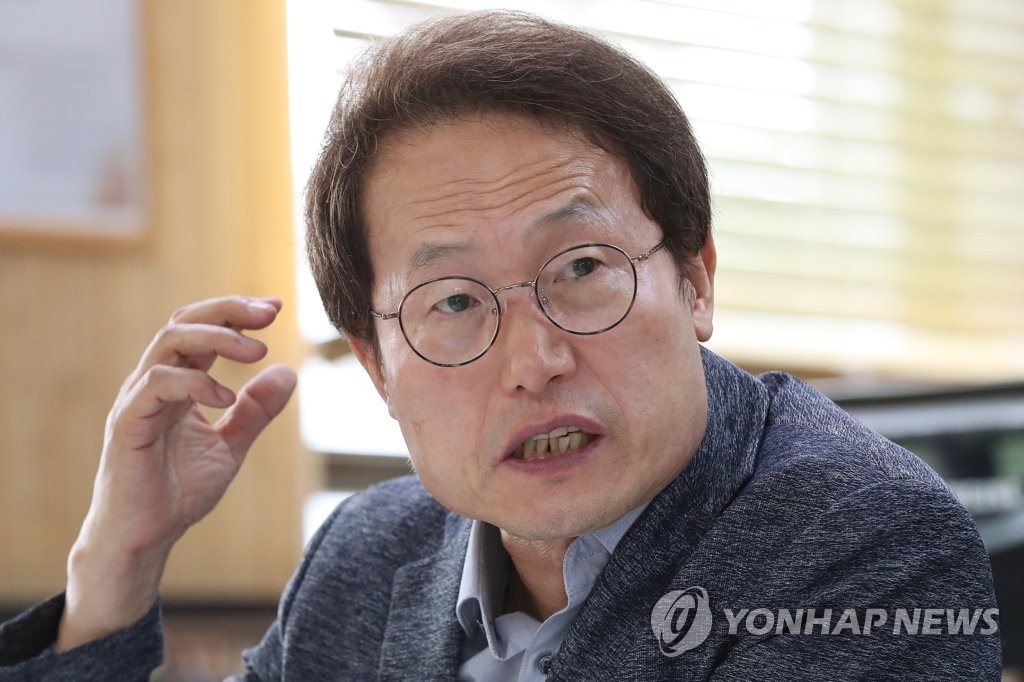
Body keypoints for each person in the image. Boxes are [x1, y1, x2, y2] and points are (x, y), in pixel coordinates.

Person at [0, 10, 1001, 680]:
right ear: (377, 366)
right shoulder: (370, 553)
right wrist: (118, 561)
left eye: (581, 268)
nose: (534, 361)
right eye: (452, 302)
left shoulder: (865, 546)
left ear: (695, 281)